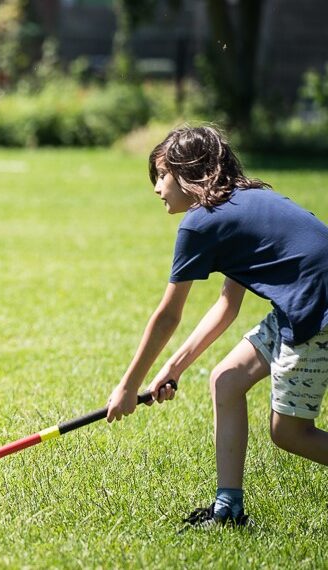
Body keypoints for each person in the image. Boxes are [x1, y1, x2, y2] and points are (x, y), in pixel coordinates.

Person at [106, 125, 328, 528]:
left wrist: (127, 386)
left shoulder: (200, 222)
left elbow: (168, 316)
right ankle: (228, 509)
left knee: (290, 433)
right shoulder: (241, 202)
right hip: (299, 306)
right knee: (226, 379)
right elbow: (227, 306)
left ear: (188, 172)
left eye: (162, 175)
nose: (156, 188)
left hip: (315, 312)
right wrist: (174, 367)